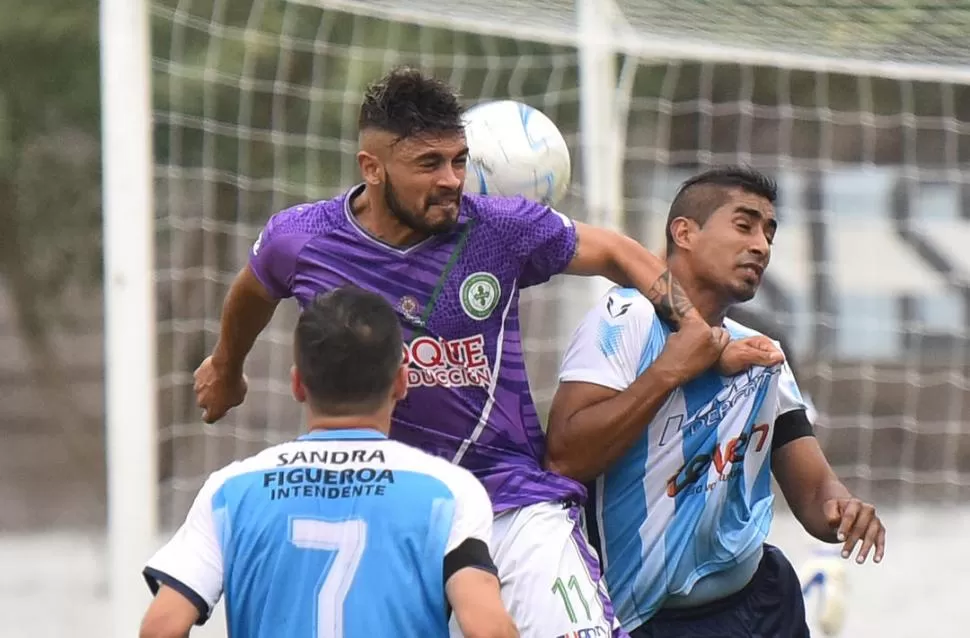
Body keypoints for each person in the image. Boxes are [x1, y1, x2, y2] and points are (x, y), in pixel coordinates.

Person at [192, 67, 774, 637]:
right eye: (429, 164)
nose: (452, 179)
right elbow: (253, 289)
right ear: (372, 168)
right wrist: (227, 366)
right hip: (391, 506)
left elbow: (616, 251)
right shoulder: (303, 237)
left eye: (459, 160)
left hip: (509, 495)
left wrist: (694, 329)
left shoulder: (499, 228)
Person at [548, 167, 887, 637]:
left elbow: (814, 493)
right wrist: (674, 367)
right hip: (651, 620)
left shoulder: (762, 352)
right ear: (684, 233)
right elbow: (565, 458)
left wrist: (845, 511)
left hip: (765, 601)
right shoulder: (624, 319)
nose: (762, 246)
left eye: (769, 232)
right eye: (744, 225)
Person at [139, 286, 517, 638]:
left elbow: (161, 627)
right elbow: (486, 628)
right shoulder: (449, 491)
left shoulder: (231, 491)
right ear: (402, 382)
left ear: (297, 384)